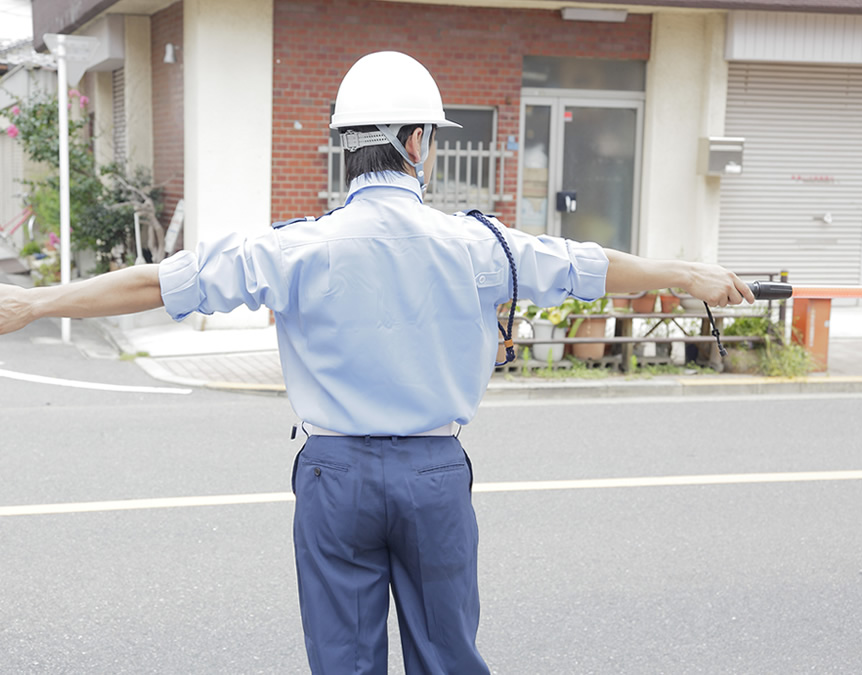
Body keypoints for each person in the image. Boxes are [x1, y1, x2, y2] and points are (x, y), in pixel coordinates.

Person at [0, 51, 754, 674]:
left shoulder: (291, 246)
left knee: (342, 661)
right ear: (418, 142)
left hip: (334, 475)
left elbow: (153, 283)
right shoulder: (478, 245)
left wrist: (33, 304)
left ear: (343, 145)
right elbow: (584, 266)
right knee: (448, 657)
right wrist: (686, 274)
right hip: (433, 474)